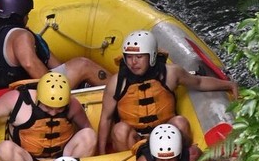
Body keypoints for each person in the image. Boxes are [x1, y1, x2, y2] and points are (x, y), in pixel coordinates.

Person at [96, 28, 238, 154]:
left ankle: (184, 158)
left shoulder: (170, 73)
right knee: (119, 130)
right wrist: (101, 152)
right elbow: (106, 118)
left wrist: (228, 85)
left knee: (180, 122)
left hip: (167, 133)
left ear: (151, 56)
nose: (133, 62)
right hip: (134, 137)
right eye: (129, 57)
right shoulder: (116, 82)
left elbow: (199, 82)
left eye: (139, 57)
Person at [0, 0, 106, 102]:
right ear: (18, 16)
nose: (27, 17)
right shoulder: (20, 37)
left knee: (45, 52)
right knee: (83, 65)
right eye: (26, 14)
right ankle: (122, 91)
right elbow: (30, 64)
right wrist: (58, 91)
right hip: (20, 98)